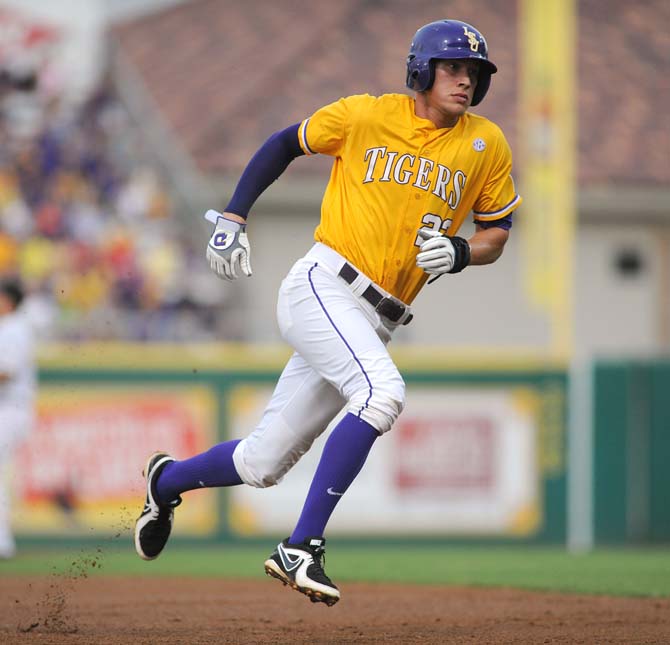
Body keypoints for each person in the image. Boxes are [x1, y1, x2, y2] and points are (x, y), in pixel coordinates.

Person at [134, 19, 522, 605]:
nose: (465, 81)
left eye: (473, 73)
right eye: (452, 68)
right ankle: (302, 548)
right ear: (420, 70)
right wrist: (235, 216)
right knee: (382, 395)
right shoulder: (366, 114)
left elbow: (497, 230)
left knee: (262, 463)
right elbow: (284, 143)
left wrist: (466, 251)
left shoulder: (485, 143)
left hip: (380, 317)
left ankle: (164, 482)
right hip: (324, 284)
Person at [0, 278, 37, 558]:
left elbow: (6, 372)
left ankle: (3, 541)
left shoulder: (13, 328)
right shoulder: (10, 327)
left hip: (11, 409)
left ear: (8, 301)